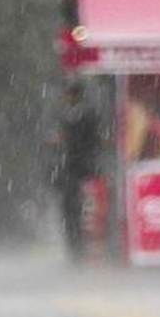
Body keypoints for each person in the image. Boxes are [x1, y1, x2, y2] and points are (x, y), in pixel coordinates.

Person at [53, 82, 101, 264]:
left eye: (70, 96)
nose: (68, 99)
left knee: (84, 212)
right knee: (70, 212)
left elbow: (90, 141)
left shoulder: (87, 116)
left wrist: (68, 142)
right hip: (70, 172)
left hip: (83, 170)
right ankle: (73, 251)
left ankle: (82, 252)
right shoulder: (65, 117)